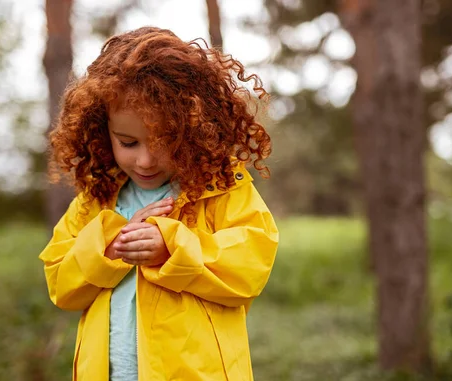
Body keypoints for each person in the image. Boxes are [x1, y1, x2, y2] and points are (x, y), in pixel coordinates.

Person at [39, 26, 279, 381]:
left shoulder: (220, 187)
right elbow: (61, 284)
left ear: (193, 130)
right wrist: (111, 243)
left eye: (163, 140)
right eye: (129, 142)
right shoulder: (97, 200)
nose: (146, 161)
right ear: (102, 131)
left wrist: (172, 248)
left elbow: (250, 266)